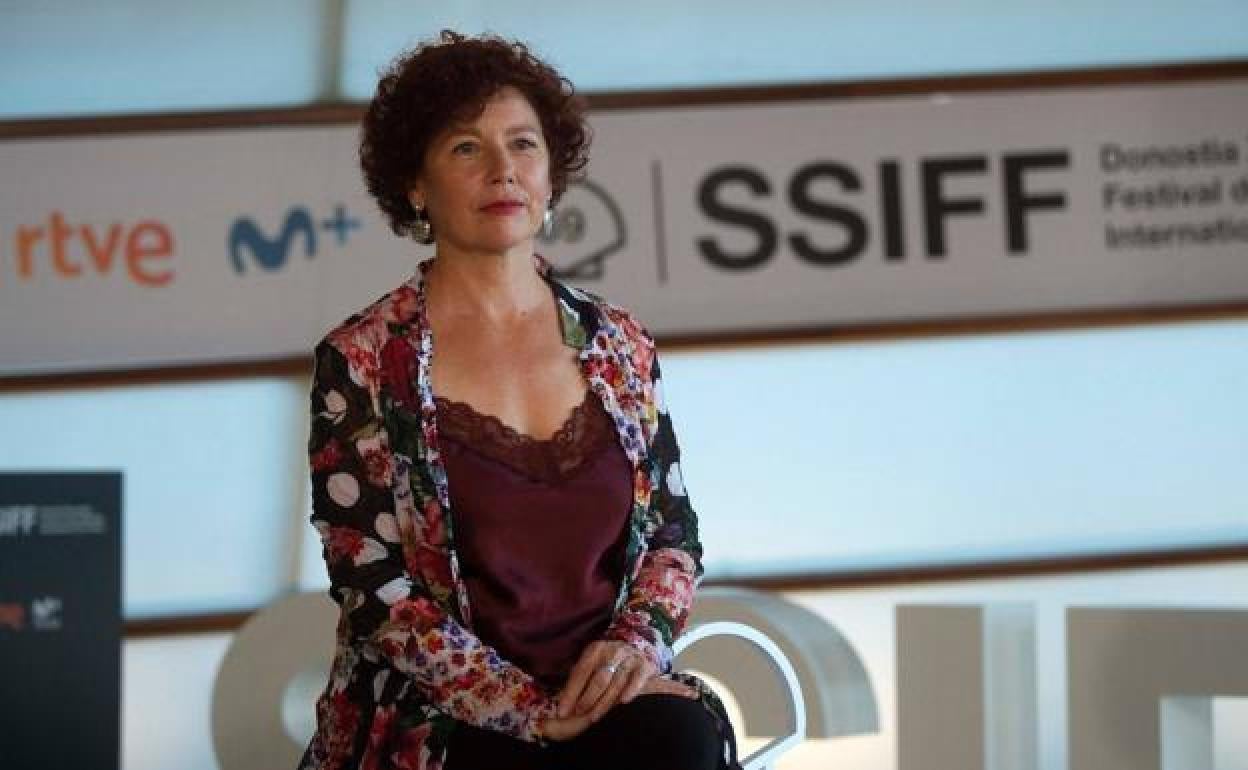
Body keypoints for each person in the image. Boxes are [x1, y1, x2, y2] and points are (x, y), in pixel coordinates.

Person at [297, 30, 739, 770]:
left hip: (603, 702)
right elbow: (372, 585)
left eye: (523, 144)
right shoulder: (361, 360)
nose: (502, 169)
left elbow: (673, 535)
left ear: (550, 173)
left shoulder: (620, 344)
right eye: (466, 147)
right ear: (416, 185)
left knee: (682, 737)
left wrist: (633, 648)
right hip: (446, 717)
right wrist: (524, 710)